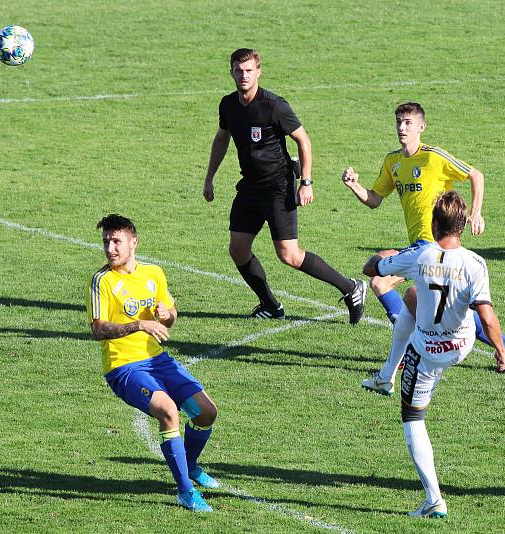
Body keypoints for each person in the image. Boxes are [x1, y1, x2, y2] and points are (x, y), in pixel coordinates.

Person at [342, 102, 505, 395]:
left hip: (434, 245)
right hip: (419, 244)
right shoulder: (393, 163)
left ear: (421, 126)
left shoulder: (433, 157)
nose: (402, 128)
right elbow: (376, 198)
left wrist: (475, 213)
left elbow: (475, 175)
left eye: (407, 123)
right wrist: (355, 186)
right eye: (398, 123)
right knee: (433, 300)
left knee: (381, 280)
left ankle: (404, 355)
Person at [363, 191, 505, 518]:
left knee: (413, 419)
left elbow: (374, 268)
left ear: (433, 223)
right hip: (462, 344)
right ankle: (386, 375)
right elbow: (486, 315)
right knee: (415, 296)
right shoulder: (475, 263)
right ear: (462, 224)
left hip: (429, 352)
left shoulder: (421, 255)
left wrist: (380, 259)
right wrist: (500, 351)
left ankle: (433, 500)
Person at [203, 47, 366, 323]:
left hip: (279, 188)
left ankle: (351, 288)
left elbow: (303, 140)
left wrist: (306, 182)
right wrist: (209, 178)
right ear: (231, 71)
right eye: (239, 71)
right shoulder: (228, 105)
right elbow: (222, 139)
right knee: (238, 249)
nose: (244, 76)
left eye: (249, 71)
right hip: (250, 188)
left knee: (289, 255)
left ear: (258, 72)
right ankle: (270, 305)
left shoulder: (274, 105)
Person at [86, 214, 220, 512]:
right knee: (169, 411)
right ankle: (185, 490)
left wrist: (166, 314)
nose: (110, 249)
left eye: (116, 241)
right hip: (124, 369)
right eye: (106, 242)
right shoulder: (102, 281)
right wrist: (139, 325)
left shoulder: (154, 273)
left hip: (159, 362)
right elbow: (97, 330)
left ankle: (191, 465)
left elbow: (171, 313)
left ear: (133, 242)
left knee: (205, 413)